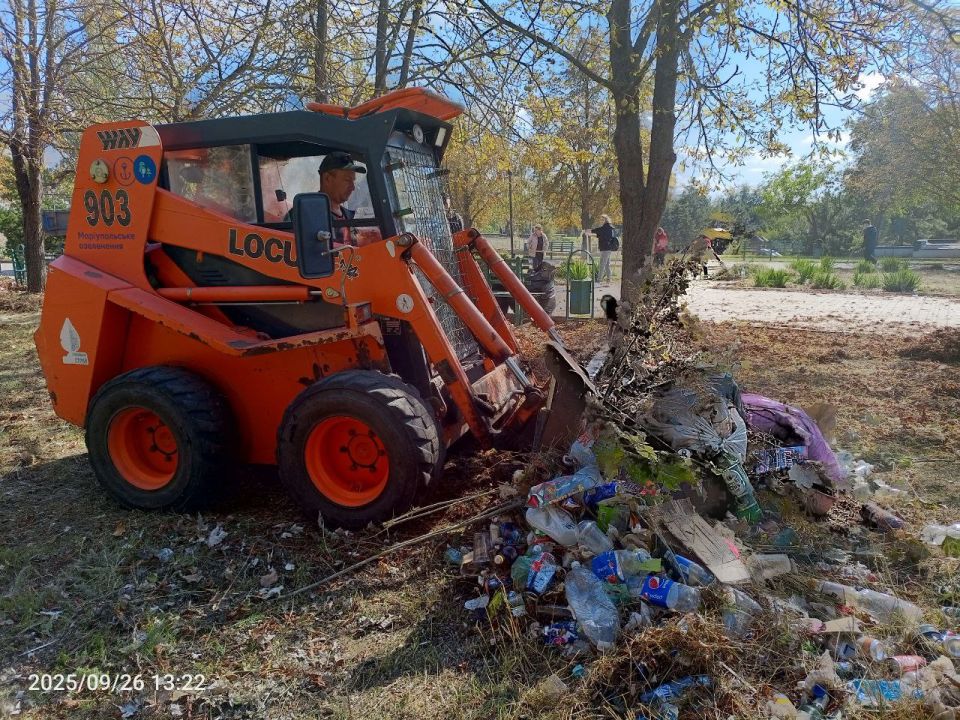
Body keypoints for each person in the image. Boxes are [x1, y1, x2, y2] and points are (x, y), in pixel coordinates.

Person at [319, 151, 367, 247]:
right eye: (347, 180)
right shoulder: (306, 214)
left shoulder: (350, 216)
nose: (353, 187)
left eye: (353, 181)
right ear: (327, 178)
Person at [592, 214, 617, 284]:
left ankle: (599, 280)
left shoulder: (605, 228)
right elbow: (600, 234)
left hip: (605, 249)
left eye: (602, 219)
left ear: (605, 220)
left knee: (602, 264)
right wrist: (592, 233)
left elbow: (598, 230)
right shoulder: (609, 227)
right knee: (606, 265)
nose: (600, 221)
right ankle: (609, 279)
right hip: (608, 248)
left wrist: (590, 231)